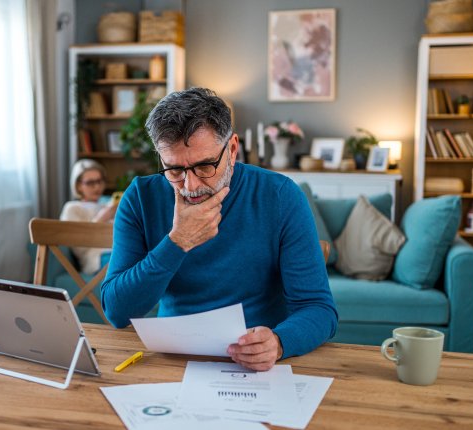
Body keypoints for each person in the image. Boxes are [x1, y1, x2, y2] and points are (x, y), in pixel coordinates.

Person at [100, 88, 338, 371]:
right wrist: (177, 242)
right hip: (173, 360)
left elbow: (319, 309)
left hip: (255, 366)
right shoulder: (140, 197)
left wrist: (278, 341)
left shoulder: (280, 196)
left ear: (233, 149)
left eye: (204, 166)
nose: (191, 186)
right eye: (174, 170)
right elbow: (117, 312)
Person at [60, 159, 116, 274]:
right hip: (97, 259)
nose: (97, 187)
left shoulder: (108, 204)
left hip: (121, 251)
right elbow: (79, 248)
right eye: (90, 183)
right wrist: (102, 218)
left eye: (100, 181)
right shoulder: (72, 208)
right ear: (78, 185)